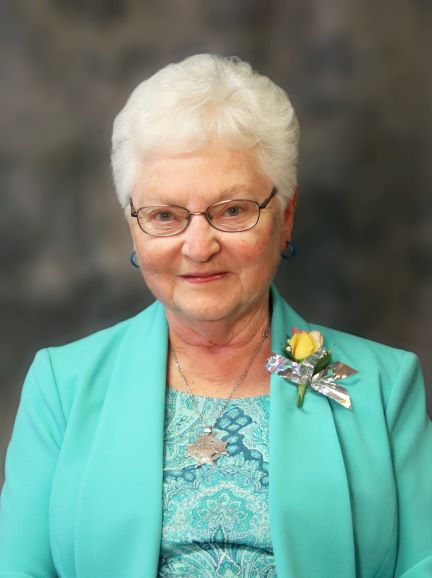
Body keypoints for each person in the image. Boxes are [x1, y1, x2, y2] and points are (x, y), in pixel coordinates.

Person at [0, 54, 431, 578]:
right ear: (133, 228)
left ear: (285, 216)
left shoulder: (384, 388)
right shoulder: (61, 388)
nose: (199, 246)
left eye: (232, 210)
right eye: (164, 215)